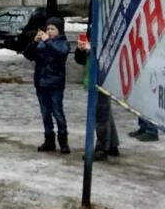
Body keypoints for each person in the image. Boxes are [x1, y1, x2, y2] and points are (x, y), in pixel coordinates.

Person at [22, 15, 71, 154]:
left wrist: (48, 41)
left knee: (58, 112)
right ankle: (49, 139)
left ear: (59, 30)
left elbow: (60, 54)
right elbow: (28, 55)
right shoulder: (42, 43)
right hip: (41, 83)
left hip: (55, 83)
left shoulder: (63, 43)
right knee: (45, 113)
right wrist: (34, 42)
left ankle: (63, 140)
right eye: (48, 28)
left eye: (53, 28)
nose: (49, 31)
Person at [74, 33, 119, 161]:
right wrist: (81, 49)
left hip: (102, 80)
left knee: (101, 115)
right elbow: (80, 59)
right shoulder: (95, 32)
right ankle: (112, 145)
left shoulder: (107, 34)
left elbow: (107, 56)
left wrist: (90, 50)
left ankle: (102, 148)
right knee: (105, 113)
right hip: (93, 79)